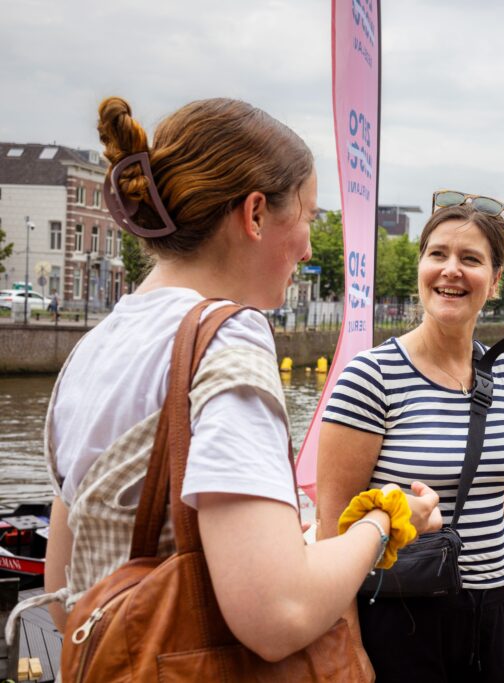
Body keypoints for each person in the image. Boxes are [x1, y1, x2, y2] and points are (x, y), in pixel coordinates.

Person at [26, 97, 441, 666]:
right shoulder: (226, 338)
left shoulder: (94, 348)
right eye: (308, 217)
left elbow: (64, 597)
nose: (309, 247)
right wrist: (384, 521)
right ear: (255, 214)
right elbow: (278, 614)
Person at [317, 190, 504, 682]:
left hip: (495, 611)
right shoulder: (371, 377)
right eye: (438, 254)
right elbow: (332, 521)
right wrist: (349, 642)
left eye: (471, 259)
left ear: (495, 281)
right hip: (406, 615)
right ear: (421, 267)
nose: (451, 270)